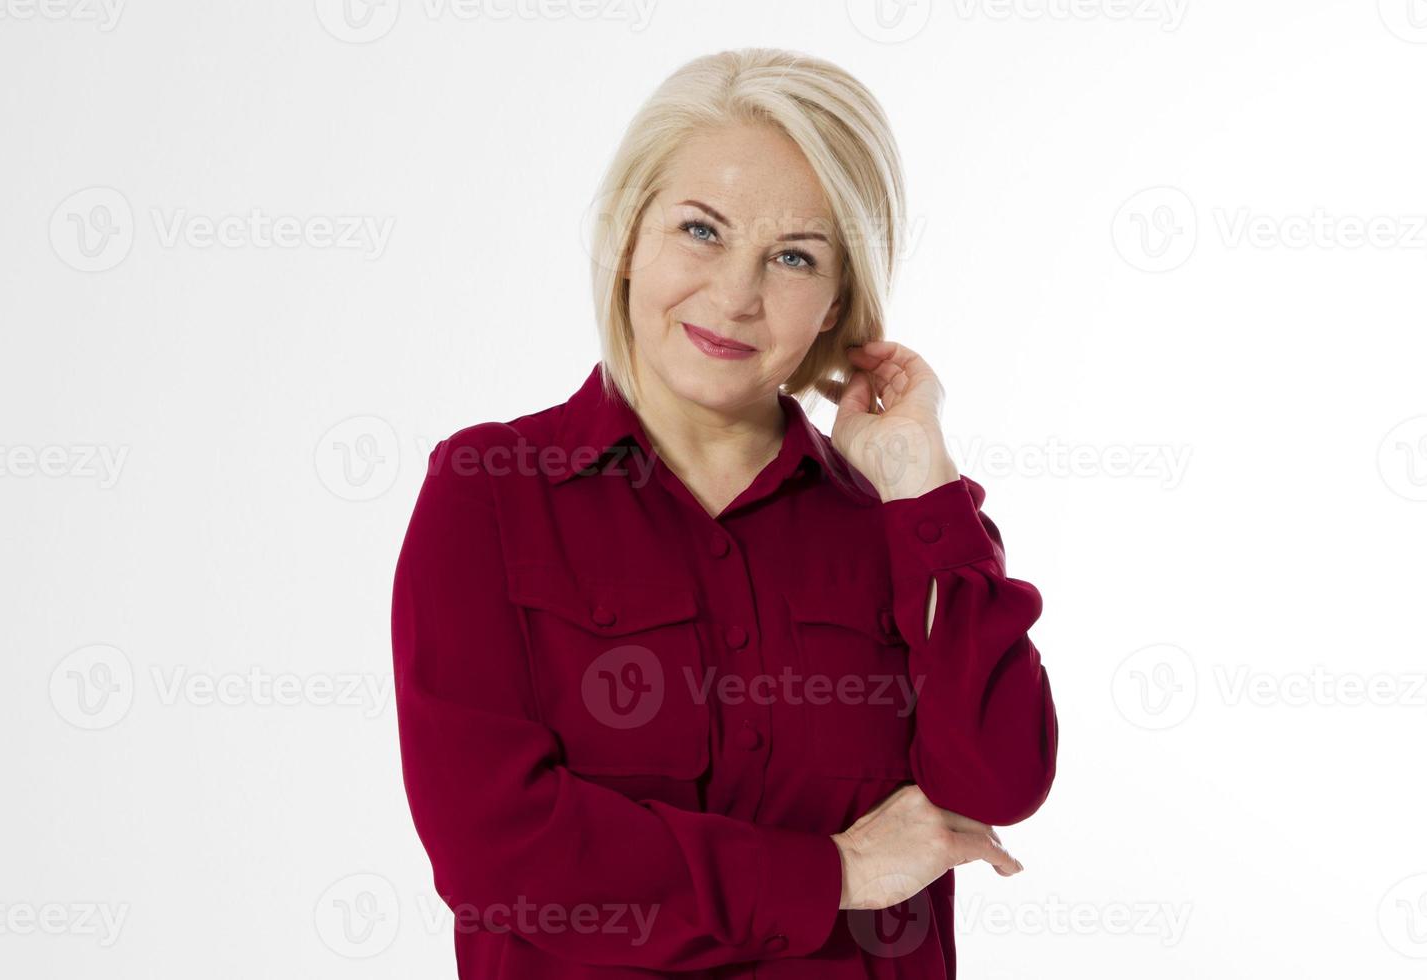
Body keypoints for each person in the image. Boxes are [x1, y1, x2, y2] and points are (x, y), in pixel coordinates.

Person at [391, 46, 1058, 979]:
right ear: (628, 241)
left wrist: (923, 489)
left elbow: (998, 780)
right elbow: (499, 850)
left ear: (836, 305)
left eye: (793, 257)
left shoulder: (894, 521)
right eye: (701, 231)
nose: (736, 296)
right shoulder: (490, 490)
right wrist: (833, 873)